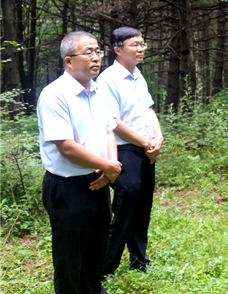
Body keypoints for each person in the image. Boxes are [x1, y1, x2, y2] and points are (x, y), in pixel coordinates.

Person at [37, 31, 123, 294]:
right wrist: (108, 167)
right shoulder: (54, 95)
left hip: (98, 182)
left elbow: (109, 130)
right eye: (88, 52)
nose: (96, 57)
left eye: (98, 51)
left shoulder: (98, 91)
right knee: (69, 258)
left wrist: (111, 166)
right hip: (67, 188)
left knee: (96, 251)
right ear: (69, 61)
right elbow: (67, 147)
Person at [97, 27, 164, 277]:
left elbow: (148, 110)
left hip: (146, 150)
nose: (141, 48)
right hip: (124, 151)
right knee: (124, 210)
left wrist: (158, 137)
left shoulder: (137, 75)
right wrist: (146, 143)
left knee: (142, 207)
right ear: (118, 50)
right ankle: (105, 267)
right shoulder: (107, 80)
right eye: (135, 44)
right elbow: (114, 123)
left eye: (143, 43)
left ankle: (139, 260)